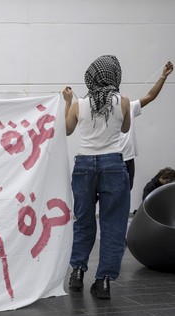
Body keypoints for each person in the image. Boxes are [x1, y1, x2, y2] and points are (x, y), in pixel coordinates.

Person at [62, 55, 131, 299]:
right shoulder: (123, 101)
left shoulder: (79, 103)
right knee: (113, 224)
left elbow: (67, 129)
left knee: (83, 220)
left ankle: (78, 272)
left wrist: (68, 102)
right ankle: (103, 282)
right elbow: (124, 129)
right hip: (113, 163)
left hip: (83, 165)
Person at [120, 61, 173, 189]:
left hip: (128, 158)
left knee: (127, 190)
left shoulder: (130, 106)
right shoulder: (104, 111)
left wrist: (163, 76)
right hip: (112, 160)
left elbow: (150, 96)